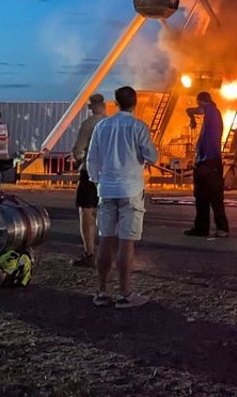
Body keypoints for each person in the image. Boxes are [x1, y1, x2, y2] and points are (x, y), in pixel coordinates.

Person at [86, 86, 158, 309]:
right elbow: (152, 157)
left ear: (115, 103)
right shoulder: (138, 127)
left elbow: (92, 159)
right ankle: (125, 294)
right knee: (126, 242)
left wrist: (98, 181)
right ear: (134, 103)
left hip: (106, 190)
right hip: (131, 190)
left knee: (105, 240)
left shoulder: (102, 126)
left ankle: (101, 291)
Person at [184, 91, 229, 237]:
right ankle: (212, 228)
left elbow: (194, 110)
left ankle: (206, 228)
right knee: (209, 197)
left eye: (199, 103)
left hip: (208, 162)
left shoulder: (211, 111)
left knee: (207, 197)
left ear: (201, 101)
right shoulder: (213, 115)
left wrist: (191, 115)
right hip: (211, 161)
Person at [71, 93, 108, 267]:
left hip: (89, 173)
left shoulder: (88, 124)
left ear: (92, 107)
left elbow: (78, 150)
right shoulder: (112, 124)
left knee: (87, 212)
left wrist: (79, 158)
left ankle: (89, 252)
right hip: (109, 174)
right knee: (108, 213)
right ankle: (109, 254)